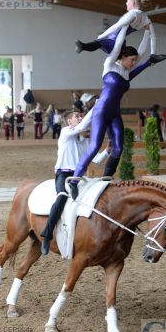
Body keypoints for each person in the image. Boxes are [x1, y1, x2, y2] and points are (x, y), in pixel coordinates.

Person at [70, 25, 166, 199]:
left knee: (118, 147)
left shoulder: (127, 73)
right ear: (122, 57)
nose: (133, 63)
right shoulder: (109, 65)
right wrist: (125, 27)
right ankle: (74, 181)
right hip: (101, 112)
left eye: (135, 61)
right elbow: (118, 44)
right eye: (131, 60)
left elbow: (144, 56)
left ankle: (106, 178)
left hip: (115, 113)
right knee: (94, 147)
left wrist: (147, 31)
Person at [40, 108, 110, 255]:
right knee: (61, 198)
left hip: (78, 177)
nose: (80, 117)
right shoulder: (65, 132)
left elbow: (96, 160)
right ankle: (47, 235)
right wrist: (96, 108)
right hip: (64, 175)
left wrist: (107, 151)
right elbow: (82, 126)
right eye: (77, 116)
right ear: (69, 121)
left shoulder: (83, 141)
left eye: (81, 116)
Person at [75, 0, 157, 58]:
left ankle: (83, 46)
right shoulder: (146, 18)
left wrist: (102, 36)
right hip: (121, 44)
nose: (126, 3)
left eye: (127, 1)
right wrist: (153, 53)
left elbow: (116, 26)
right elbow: (153, 36)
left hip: (115, 41)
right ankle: (83, 46)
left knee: (98, 43)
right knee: (99, 44)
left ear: (133, 3)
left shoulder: (133, 14)